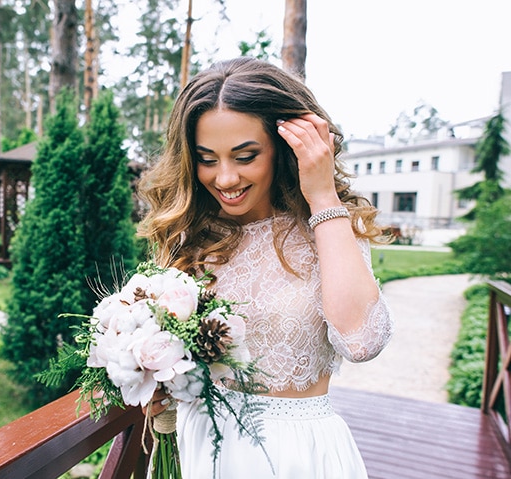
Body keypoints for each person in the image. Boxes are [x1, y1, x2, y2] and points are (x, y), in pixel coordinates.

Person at [137, 57, 394, 478]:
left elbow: (362, 342)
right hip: (199, 445)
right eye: (207, 158)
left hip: (294, 456)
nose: (224, 178)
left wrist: (324, 196)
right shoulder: (192, 236)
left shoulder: (327, 230)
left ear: (284, 147)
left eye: (245, 156)